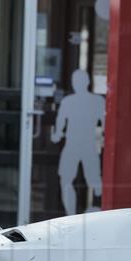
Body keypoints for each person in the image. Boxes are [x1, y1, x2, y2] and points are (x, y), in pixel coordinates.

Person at [51, 69, 105, 215]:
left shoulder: (96, 101)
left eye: (80, 80)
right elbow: (60, 121)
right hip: (74, 144)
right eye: (76, 81)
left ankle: (97, 209)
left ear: (87, 82)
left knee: (94, 180)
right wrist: (57, 134)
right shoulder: (69, 101)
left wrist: (57, 134)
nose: (78, 84)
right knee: (67, 179)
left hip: (87, 143)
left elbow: (106, 122)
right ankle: (71, 215)